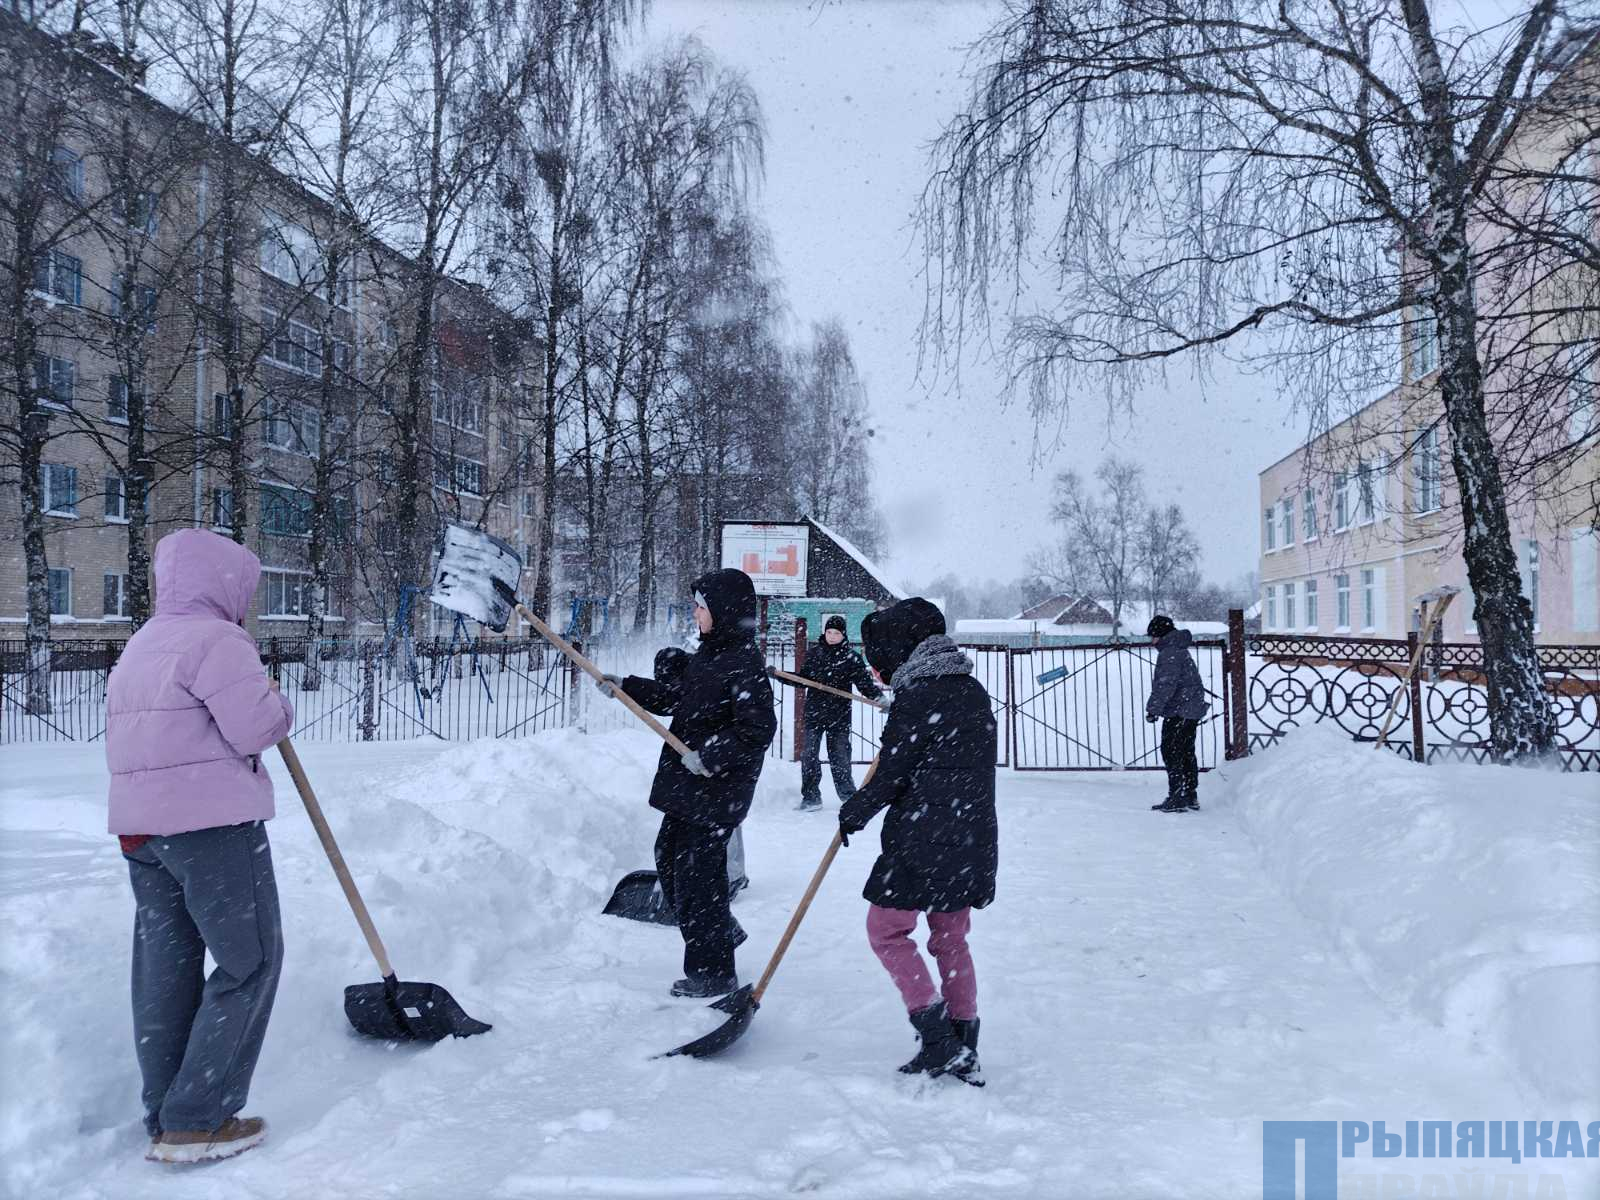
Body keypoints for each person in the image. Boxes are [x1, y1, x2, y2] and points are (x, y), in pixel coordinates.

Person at [105, 529, 295, 1164]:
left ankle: (165, 1110)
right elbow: (257, 726)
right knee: (252, 959)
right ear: (226, 582)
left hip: (142, 833)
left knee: (167, 967)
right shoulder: (218, 639)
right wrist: (278, 701)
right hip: (211, 827)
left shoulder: (143, 643)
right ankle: (200, 1117)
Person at [837, 598, 995, 1086]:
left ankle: (935, 1037)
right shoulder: (970, 690)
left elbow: (893, 774)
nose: (876, 669)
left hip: (920, 838)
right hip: (969, 836)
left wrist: (854, 812)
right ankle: (962, 1043)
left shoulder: (918, 696)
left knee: (886, 931)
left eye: (879, 657)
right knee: (950, 938)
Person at [598, 568, 776, 997]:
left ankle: (713, 971)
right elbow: (675, 698)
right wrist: (627, 688)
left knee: (700, 879)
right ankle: (717, 931)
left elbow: (758, 729)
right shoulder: (711, 655)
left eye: (701, 606)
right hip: (691, 789)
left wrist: (710, 756)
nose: (695, 613)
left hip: (715, 791)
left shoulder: (742, 663)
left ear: (723, 612)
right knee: (670, 859)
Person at [777, 614, 883, 812]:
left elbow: (864, 684)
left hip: (839, 716)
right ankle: (811, 798)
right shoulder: (814, 654)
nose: (832, 636)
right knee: (809, 756)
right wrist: (781, 675)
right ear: (824, 633)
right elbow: (803, 679)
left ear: (843, 635)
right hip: (814, 715)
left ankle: (848, 797)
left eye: (836, 633)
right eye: (829, 632)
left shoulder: (852, 658)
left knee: (840, 758)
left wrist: (879, 698)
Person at [1144, 614, 1208, 812]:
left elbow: (1165, 685)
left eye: (1152, 636)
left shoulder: (1170, 653)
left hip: (1180, 710)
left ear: (1159, 635)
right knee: (1186, 751)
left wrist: (1153, 709)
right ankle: (1189, 794)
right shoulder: (1178, 649)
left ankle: (1178, 795)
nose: (1151, 641)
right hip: (1189, 708)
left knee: (1172, 751)